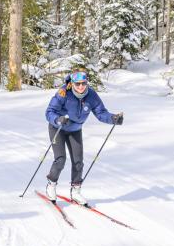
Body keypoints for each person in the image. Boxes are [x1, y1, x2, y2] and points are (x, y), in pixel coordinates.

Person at [43, 70, 123, 205]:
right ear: (72, 83)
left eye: (83, 83)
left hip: (75, 130)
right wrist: (57, 119)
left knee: (78, 161)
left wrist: (113, 118)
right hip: (58, 128)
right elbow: (49, 112)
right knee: (61, 159)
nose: (81, 87)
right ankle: (51, 184)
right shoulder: (63, 93)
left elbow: (101, 112)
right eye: (78, 84)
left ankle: (75, 191)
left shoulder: (91, 95)